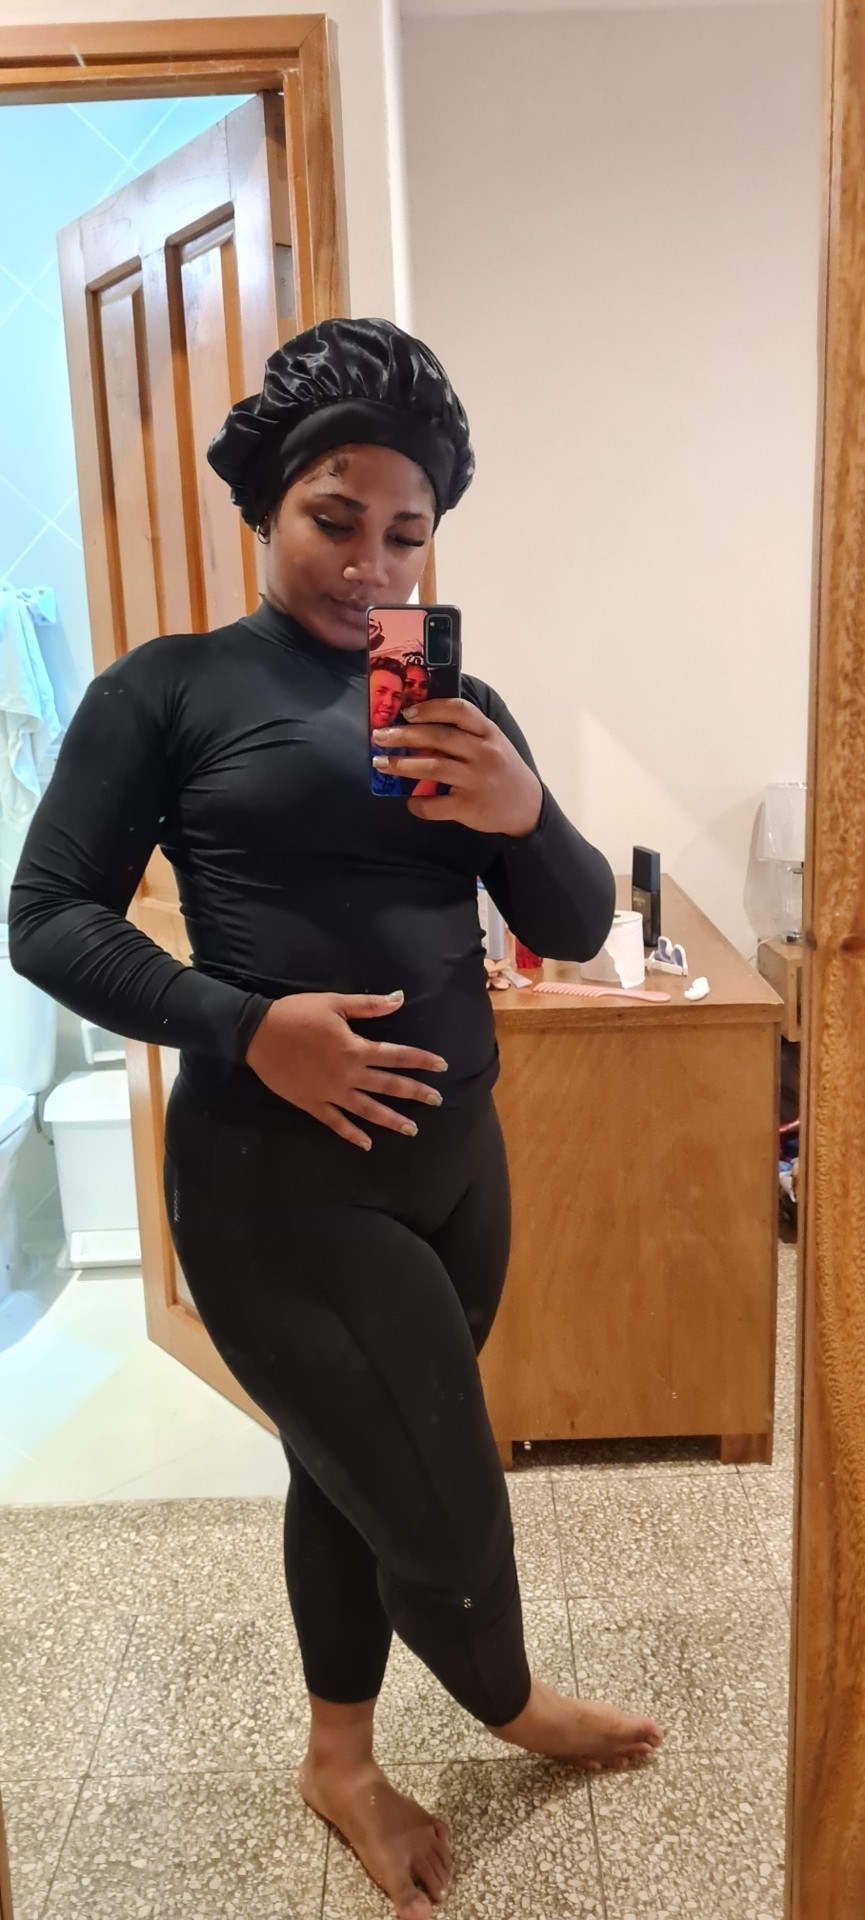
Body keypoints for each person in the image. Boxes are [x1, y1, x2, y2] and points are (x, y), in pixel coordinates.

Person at [9, 317, 662, 1920]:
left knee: (347, 1465)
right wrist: (245, 1027)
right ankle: (507, 1698)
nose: (370, 565)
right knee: (438, 1503)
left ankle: (338, 1756)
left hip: (458, 1171)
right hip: (278, 1185)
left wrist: (524, 809)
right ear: (267, 506)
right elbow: (46, 917)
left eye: (405, 532)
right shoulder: (165, 690)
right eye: (333, 518)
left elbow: (575, 923)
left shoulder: (458, 697)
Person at [370, 659, 411, 796]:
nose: (388, 703)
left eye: (396, 696)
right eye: (380, 692)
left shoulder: (403, 738)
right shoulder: (339, 740)